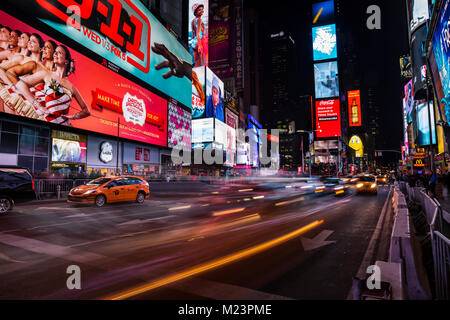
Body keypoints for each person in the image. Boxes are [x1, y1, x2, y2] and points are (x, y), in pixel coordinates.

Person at [4, 44, 90, 125]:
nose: (55, 54)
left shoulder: (72, 87)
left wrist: (73, 116)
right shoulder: (46, 74)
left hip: (63, 126)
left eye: (59, 52)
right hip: (45, 123)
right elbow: (20, 83)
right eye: (55, 52)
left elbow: (86, 111)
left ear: (66, 61)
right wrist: (37, 104)